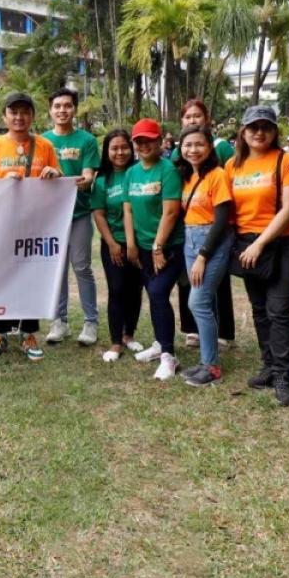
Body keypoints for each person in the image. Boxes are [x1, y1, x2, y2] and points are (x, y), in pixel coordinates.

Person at [227, 106, 289, 407]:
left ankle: (284, 374)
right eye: (252, 127)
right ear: (243, 132)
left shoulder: (287, 161)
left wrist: (260, 244)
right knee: (259, 309)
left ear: (274, 131)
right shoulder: (233, 166)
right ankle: (269, 366)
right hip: (247, 245)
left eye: (266, 127)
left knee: (278, 311)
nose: (259, 132)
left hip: (283, 245)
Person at [0, 91, 62, 362]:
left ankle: (28, 333)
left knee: (32, 276)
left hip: (36, 225)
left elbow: (58, 176)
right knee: (2, 276)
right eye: (13, 112)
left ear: (33, 116)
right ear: (5, 116)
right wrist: (3, 183)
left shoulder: (45, 146)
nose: (19, 117)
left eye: (25, 112)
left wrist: (55, 174)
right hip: (3, 224)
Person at [172, 99, 237, 353]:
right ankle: (203, 342)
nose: (193, 150)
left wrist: (203, 254)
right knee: (198, 297)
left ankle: (211, 359)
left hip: (211, 238)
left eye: (199, 145)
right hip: (189, 237)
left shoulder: (218, 172)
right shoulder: (186, 175)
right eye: (188, 145)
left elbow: (222, 218)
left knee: (200, 299)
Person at [123, 118, 185, 381]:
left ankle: (169, 356)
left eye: (149, 139)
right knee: (153, 295)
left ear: (160, 141)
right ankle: (160, 343)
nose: (144, 144)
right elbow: (127, 210)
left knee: (159, 294)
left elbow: (171, 212)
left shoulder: (167, 170)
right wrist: (131, 244)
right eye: (139, 140)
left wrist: (158, 247)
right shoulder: (131, 172)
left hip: (169, 246)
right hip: (144, 247)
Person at [41, 89, 100, 347]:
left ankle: (91, 322)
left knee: (82, 267)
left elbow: (87, 180)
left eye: (67, 106)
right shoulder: (41, 141)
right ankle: (59, 321)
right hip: (50, 217)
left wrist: (62, 178)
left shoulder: (86, 140)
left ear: (74, 110)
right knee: (57, 269)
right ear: (50, 110)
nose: (62, 110)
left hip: (79, 214)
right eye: (57, 106)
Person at [92, 129, 144, 362]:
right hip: (113, 244)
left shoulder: (139, 173)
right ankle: (115, 342)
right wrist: (112, 243)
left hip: (140, 243)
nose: (120, 152)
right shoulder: (102, 180)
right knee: (117, 290)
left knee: (135, 290)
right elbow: (99, 214)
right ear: (107, 151)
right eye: (114, 148)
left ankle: (128, 335)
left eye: (124, 147)